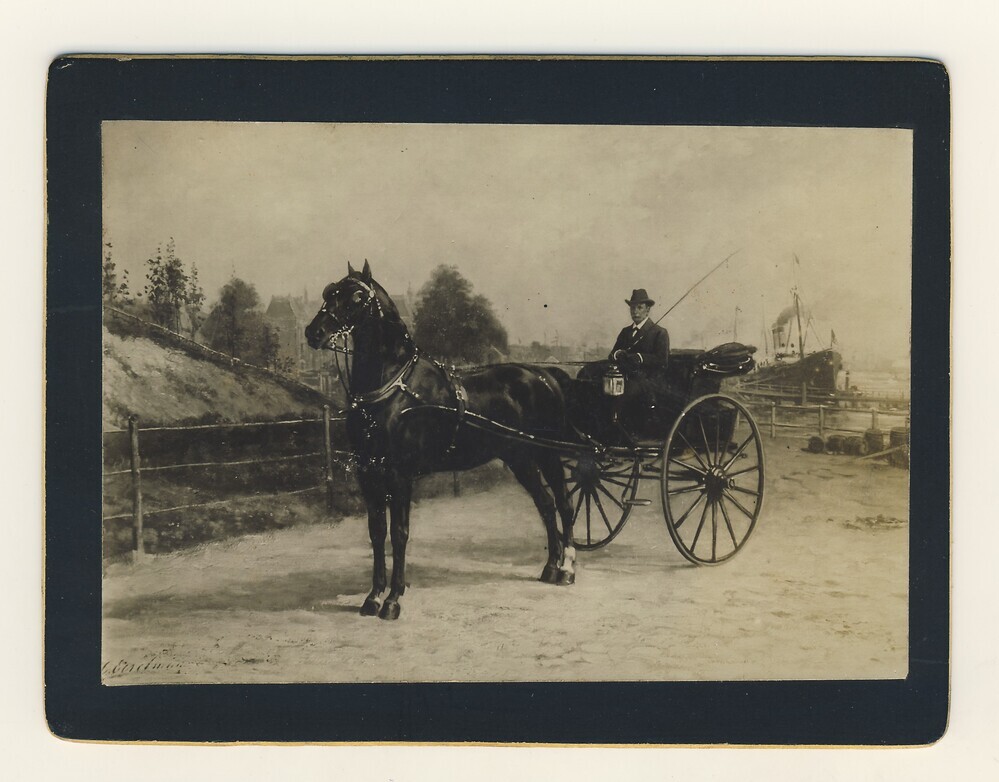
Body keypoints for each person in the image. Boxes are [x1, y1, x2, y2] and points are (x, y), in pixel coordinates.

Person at [610, 288, 670, 378]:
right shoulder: (625, 332)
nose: (635, 311)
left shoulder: (659, 332)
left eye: (639, 307)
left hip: (647, 381)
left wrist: (640, 357)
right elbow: (611, 355)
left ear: (648, 310)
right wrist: (617, 354)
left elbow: (662, 361)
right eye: (632, 307)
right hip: (624, 378)